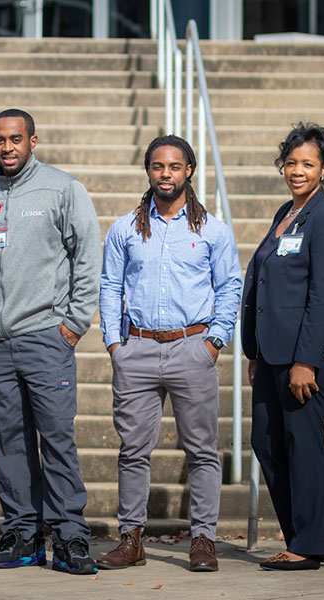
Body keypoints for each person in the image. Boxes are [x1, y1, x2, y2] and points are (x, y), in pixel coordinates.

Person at [0, 108, 102, 575]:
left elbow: (87, 258)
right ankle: (22, 533)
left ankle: (70, 537)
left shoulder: (63, 189)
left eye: (16, 138)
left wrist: (74, 325)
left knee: (57, 438)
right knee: (7, 440)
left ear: (33, 141)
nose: (7, 147)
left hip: (46, 338)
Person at [98, 135, 242, 572]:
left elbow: (230, 285)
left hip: (191, 348)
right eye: (158, 166)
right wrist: (114, 344)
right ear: (148, 171)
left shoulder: (211, 229)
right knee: (132, 450)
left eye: (174, 166)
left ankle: (203, 540)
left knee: (201, 450)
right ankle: (131, 538)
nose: (166, 174)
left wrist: (214, 341)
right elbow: (110, 286)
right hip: (137, 348)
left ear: (189, 171)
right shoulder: (125, 228)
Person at [242, 123, 324, 571]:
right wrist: (255, 352)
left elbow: (322, 296)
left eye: (308, 163)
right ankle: (311, 536)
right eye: (291, 162)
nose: (297, 170)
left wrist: (305, 362)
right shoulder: (285, 213)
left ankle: (307, 544)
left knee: (302, 440)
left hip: (312, 351)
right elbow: (267, 281)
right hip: (273, 350)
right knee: (267, 440)